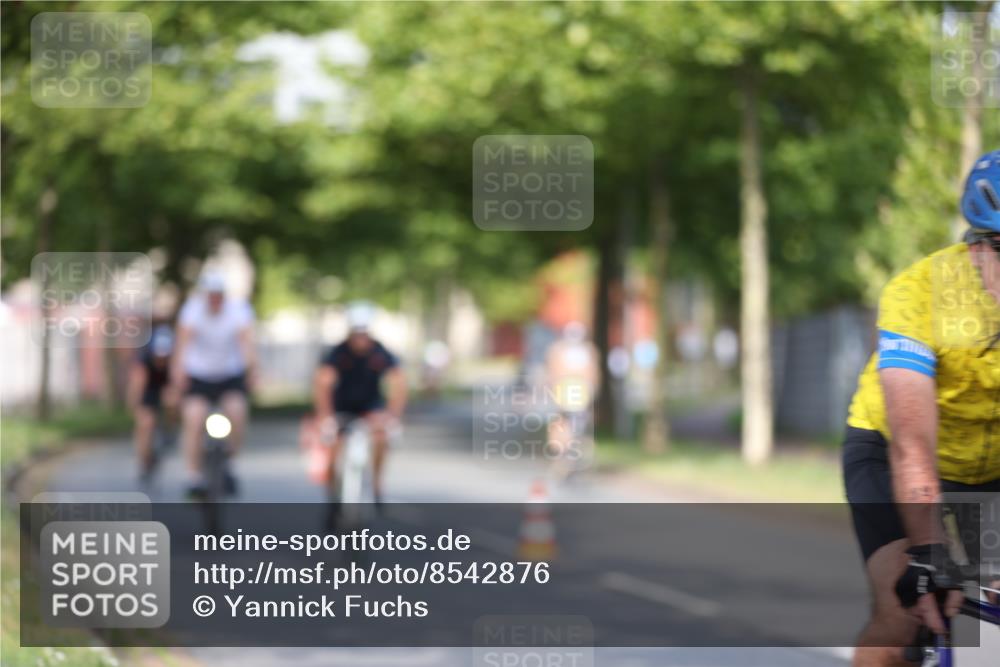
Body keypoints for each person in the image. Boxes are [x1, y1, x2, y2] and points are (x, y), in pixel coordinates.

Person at [843, 150, 1000, 666]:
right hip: (893, 448)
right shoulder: (919, 295)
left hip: (990, 464)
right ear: (977, 248)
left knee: (989, 612)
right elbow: (912, 445)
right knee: (905, 604)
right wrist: (930, 551)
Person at [313, 301, 407, 512]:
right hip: (342, 407)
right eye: (356, 332)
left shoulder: (379, 352)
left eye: (364, 332)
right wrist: (325, 416)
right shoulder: (338, 352)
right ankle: (333, 499)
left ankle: (376, 485)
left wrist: (393, 415)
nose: (360, 338)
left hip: (371, 407)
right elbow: (323, 382)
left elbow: (398, 381)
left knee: (381, 439)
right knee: (332, 448)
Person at [170, 271, 257, 499]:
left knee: (237, 412)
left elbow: (246, 343)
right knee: (194, 418)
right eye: (211, 295)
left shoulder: (238, 310)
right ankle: (194, 476)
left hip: (230, 373)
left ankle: (231, 463)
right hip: (199, 374)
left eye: (218, 295)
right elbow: (182, 345)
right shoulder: (191, 310)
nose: (215, 300)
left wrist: (251, 370)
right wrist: (178, 374)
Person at [544, 321, 599, 477]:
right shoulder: (561, 351)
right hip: (568, 395)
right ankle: (563, 457)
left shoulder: (585, 351)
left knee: (572, 426)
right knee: (565, 425)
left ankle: (571, 457)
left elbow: (592, 376)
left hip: (577, 395)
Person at [126, 323, 174, 484]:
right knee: (145, 423)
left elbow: (179, 384)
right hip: (148, 389)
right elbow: (137, 385)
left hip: (167, 387)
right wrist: (135, 407)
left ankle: (169, 430)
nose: (161, 359)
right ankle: (144, 461)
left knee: (171, 399)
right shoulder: (143, 360)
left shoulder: (176, 360)